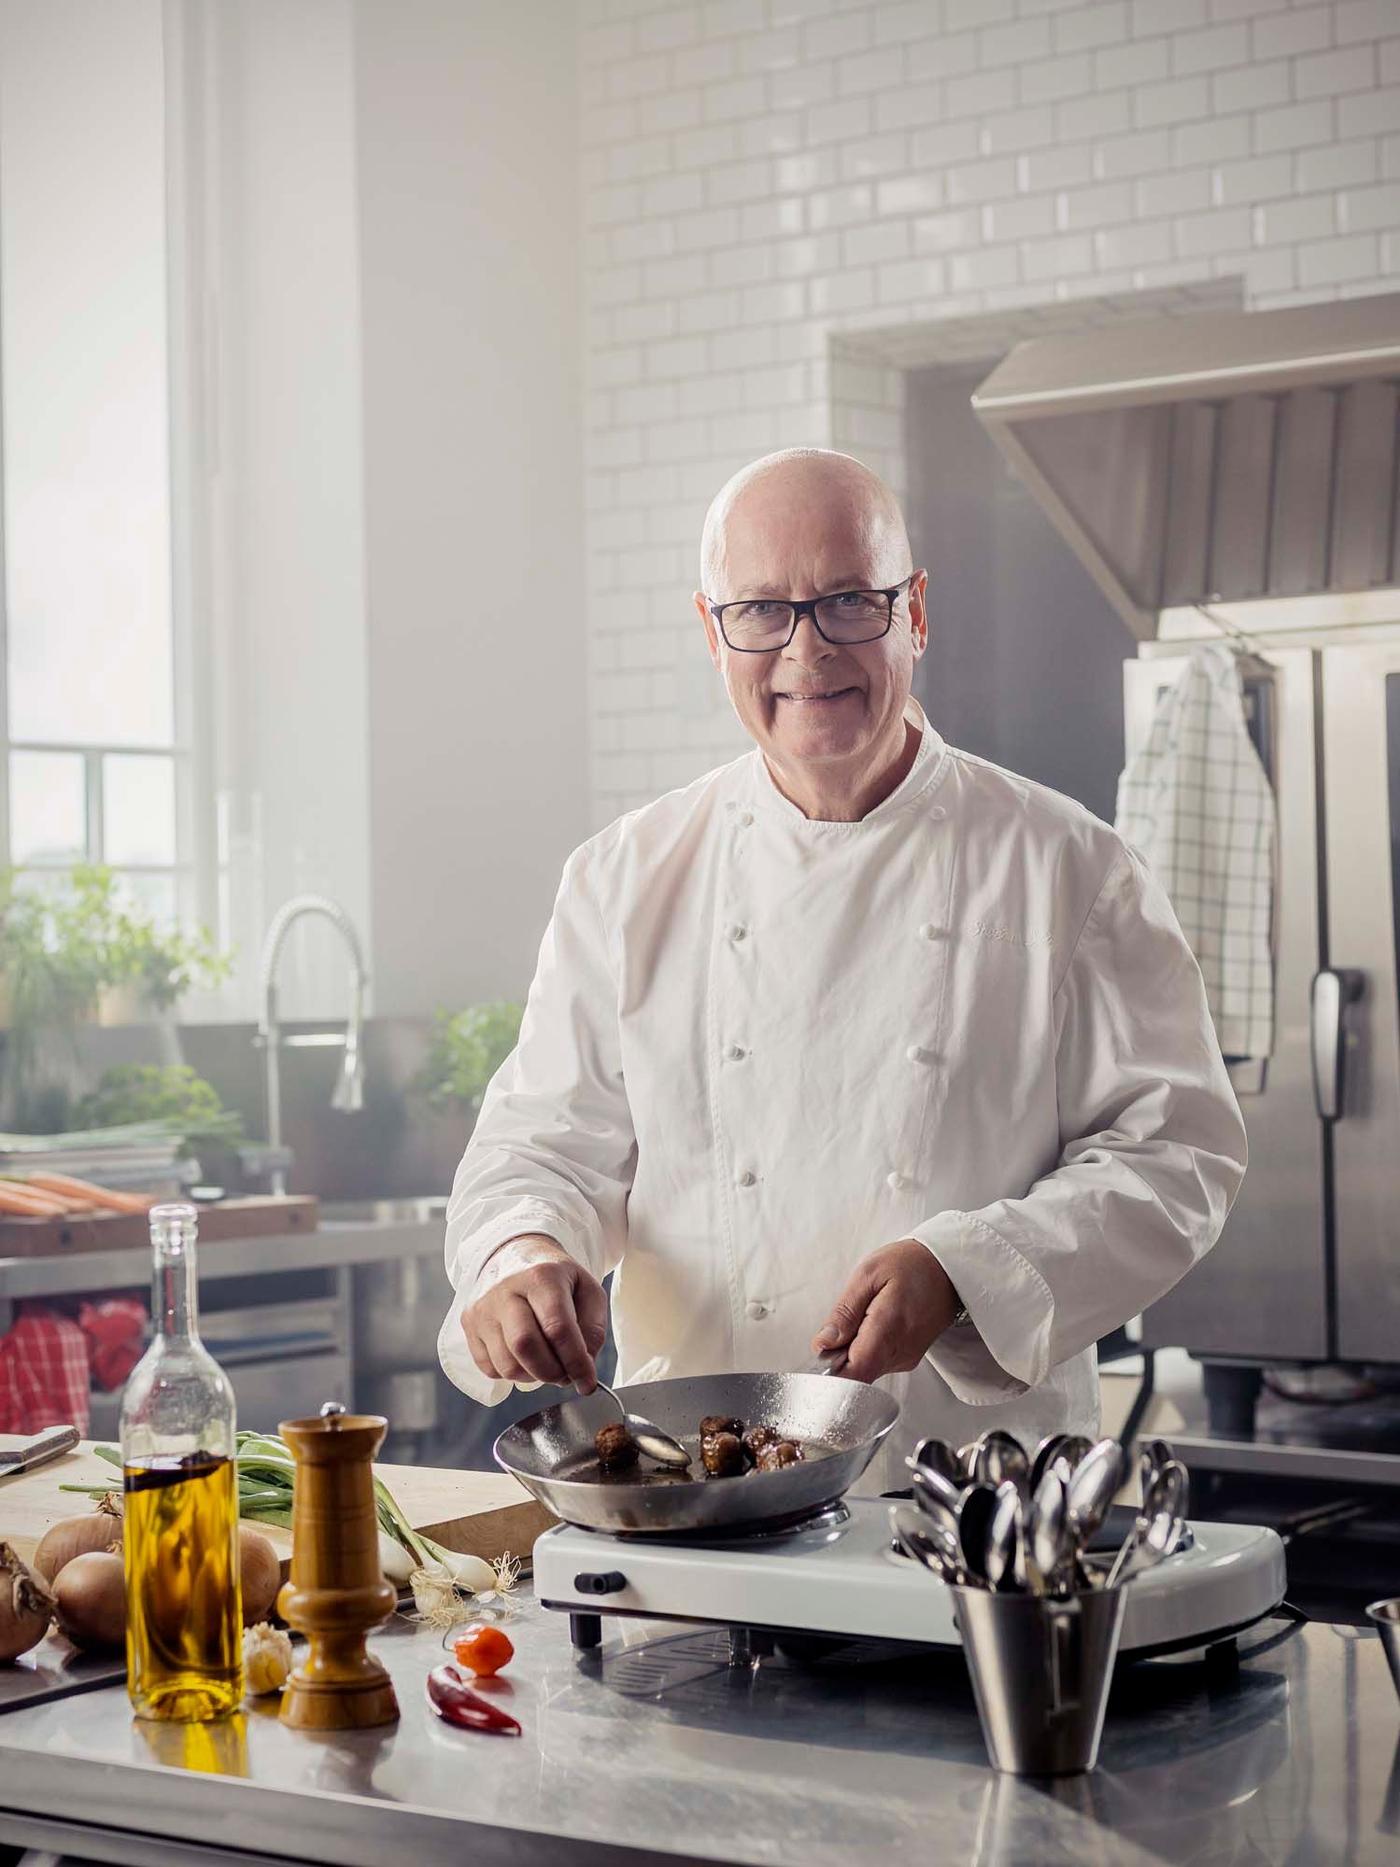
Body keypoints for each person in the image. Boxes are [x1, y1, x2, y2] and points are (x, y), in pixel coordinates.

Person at [437, 448, 1246, 1489]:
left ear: (913, 611)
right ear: (710, 632)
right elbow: (541, 1149)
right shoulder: (623, 878)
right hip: (687, 1492)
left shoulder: (1068, 868)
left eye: (846, 601)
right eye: (762, 610)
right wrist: (521, 1256)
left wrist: (966, 1273)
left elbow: (1175, 1155)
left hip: (969, 1511)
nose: (804, 650)